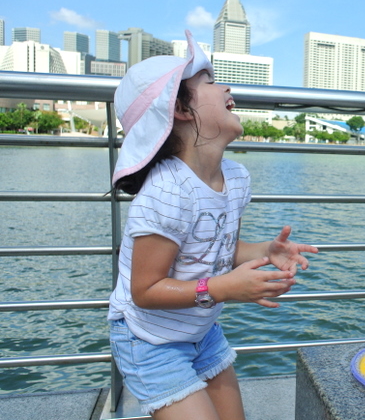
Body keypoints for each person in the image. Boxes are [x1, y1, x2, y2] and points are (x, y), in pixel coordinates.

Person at [107, 30, 318, 420]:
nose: (226, 85)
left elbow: (217, 247)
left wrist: (264, 251)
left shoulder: (235, 178)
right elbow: (145, 289)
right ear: (182, 110)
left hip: (200, 332)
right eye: (209, 81)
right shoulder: (167, 191)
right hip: (149, 339)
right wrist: (223, 288)